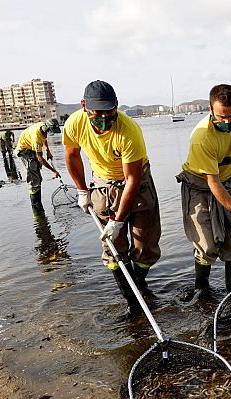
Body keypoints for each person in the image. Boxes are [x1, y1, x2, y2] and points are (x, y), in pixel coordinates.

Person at [63, 80, 161, 316]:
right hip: (103, 184)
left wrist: (118, 220)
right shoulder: (75, 123)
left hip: (136, 181)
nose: (104, 118)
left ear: (117, 105)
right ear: (84, 106)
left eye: (110, 111)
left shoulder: (129, 131)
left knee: (145, 244)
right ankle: (132, 302)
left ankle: (139, 284)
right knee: (113, 247)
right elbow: (73, 156)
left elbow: (132, 181)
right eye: (98, 112)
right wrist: (82, 190)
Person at [176, 84, 231, 304]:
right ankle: (201, 290)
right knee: (207, 246)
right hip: (200, 185)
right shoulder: (202, 137)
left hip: (228, 181)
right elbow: (213, 184)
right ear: (211, 111)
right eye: (222, 118)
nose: (228, 123)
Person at [16, 119, 61, 211]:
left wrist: (48, 150)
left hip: (31, 149)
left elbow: (44, 138)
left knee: (38, 177)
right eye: (49, 131)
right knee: (34, 177)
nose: (48, 134)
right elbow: (40, 158)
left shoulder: (43, 127)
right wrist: (54, 171)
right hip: (24, 152)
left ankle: (38, 202)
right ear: (47, 128)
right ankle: (36, 206)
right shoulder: (36, 137)